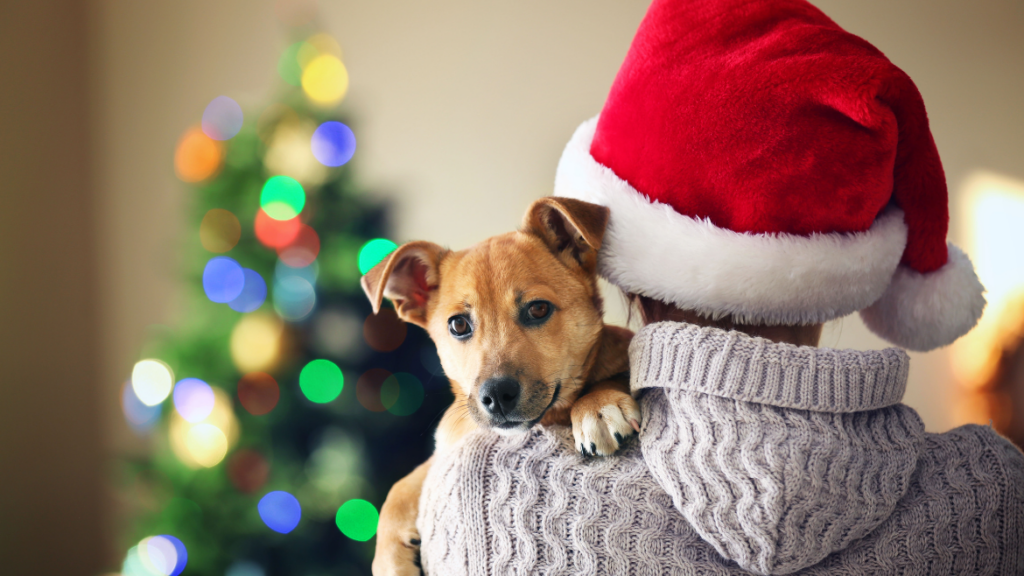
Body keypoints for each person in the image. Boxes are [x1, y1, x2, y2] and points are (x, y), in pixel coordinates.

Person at [416, 0, 1024, 573]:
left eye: (537, 311)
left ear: (617, 273)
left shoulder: (487, 493)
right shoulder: (992, 488)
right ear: (843, 285)